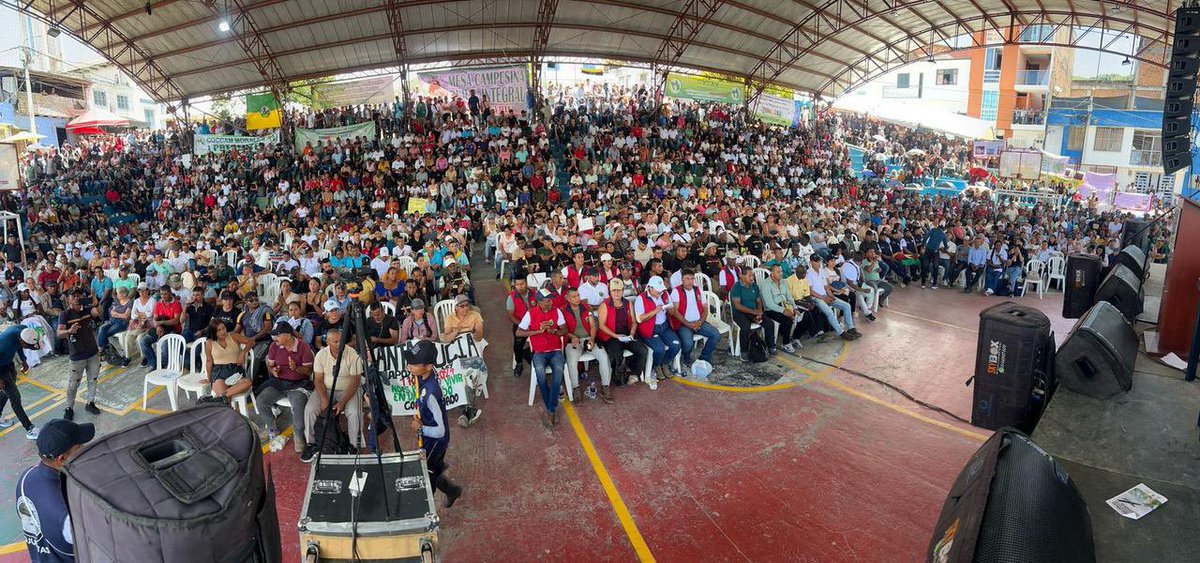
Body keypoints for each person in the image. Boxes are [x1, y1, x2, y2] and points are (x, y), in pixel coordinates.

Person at [15, 419, 94, 562]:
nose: (85, 447)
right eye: (79, 447)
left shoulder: (26, 478)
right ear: (62, 459)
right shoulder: (68, 512)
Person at [408, 340, 463, 508]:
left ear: (428, 366)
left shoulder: (432, 393)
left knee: (428, 474)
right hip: (428, 437)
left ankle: (427, 510)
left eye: (414, 363)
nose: (409, 366)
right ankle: (452, 490)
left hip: (435, 441)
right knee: (432, 468)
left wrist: (420, 428)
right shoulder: (421, 376)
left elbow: (440, 431)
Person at [305, 327, 363, 463]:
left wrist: (342, 402)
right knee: (310, 410)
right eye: (335, 342)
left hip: (348, 389)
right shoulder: (321, 355)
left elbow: (356, 381)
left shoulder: (352, 354)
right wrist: (325, 399)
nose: (339, 344)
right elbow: (318, 380)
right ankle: (313, 444)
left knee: (354, 412)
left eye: (341, 341)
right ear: (327, 342)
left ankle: (354, 447)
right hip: (326, 389)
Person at [257, 323, 314, 457]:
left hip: (298, 384)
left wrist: (296, 368)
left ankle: (299, 435)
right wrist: (274, 371)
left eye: (277, 335)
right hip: (280, 382)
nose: (274, 338)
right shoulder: (274, 346)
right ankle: (272, 429)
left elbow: (308, 371)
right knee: (261, 401)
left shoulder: (303, 347)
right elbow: (270, 365)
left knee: (298, 407)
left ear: (287, 336)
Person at [515, 289, 566, 428]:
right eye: (546, 301)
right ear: (538, 303)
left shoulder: (557, 311)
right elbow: (519, 332)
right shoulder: (530, 314)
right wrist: (537, 331)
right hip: (539, 351)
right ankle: (552, 408)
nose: (550, 303)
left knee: (558, 374)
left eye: (550, 300)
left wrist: (554, 331)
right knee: (540, 374)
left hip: (555, 350)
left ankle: (550, 411)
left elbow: (564, 329)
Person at [57, 290, 102, 420]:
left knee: (92, 380)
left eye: (78, 295)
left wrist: (95, 302)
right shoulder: (65, 314)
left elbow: (99, 314)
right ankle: (69, 407)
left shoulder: (88, 310)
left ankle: (90, 403)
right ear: (69, 299)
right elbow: (59, 334)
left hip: (93, 353)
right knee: (73, 384)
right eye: (73, 296)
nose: (76, 298)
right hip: (77, 356)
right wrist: (69, 330)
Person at [561, 287, 612, 403]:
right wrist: (572, 336)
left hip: (588, 340)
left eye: (578, 295)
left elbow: (593, 326)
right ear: (568, 299)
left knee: (603, 356)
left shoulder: (585, 307)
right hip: (574, 341)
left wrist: (592, 339)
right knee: (572, 359)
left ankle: (605, 387)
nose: (577, 298)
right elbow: (562, 329)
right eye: (574, 296)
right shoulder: (563, 310)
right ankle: (576, 388)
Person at [596, 278, 649, 388]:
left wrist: (632, 332)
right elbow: (601, 325)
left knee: (642, 351)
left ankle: (634, 372)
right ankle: (617, 376)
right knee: (616, 354)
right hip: (611, 335)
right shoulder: (604, 305)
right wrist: (616, 336)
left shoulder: (627, 303)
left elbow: (634, 321)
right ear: (610, 291)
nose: (616, 293)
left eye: (619, 290)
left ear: (623, 290)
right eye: (614, 290)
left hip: (627, 333)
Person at [667, 269, 720, 370]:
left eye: (692, 278)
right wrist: (688, 324)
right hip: (683, 324)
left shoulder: (698, 290)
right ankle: (686, 357)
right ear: (682, 280)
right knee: (688, 344)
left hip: (698, 322)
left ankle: (704, 357)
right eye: (687, 279)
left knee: (715, 335)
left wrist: (700, 322)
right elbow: (675, 312)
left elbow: (705, 308)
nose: (690, 281)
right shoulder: (676, 291)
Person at [633, 276, 682, 379]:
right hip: (650, 329)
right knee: (659, 349)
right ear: (650, 288)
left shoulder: (664, 294)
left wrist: (669, 308)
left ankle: (664, 363)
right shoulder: (641, 298)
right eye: (658, 290)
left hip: (664, 326)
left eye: (661, 289)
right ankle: (656, 366)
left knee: (676, 345)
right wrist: (655, 311)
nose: (661, 292)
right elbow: (639, 319)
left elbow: (672, 312)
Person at [0, 327, 43, 439]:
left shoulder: (24, 331)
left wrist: (24, 360)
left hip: (7, 362)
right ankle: (30, 428)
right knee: (15, 397)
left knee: (6, 393)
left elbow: (19, 347)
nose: (27, 348)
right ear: (22, 341)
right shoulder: (4, 343)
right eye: (27, 346)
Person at [201, 320, 250, 406]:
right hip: (219, 373)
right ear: (213, 332)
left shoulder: (233, 336)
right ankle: (227, 408)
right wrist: (209, 379)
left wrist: (243, 352)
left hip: (236, 371)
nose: (223, 331)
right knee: (226, 402)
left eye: (223, 328)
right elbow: (209, 361)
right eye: (218, 330)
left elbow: (251, 342)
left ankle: (221, 398)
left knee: (248, 382)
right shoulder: (209, 342)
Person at [505, 277, 535, 376]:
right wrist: (523, 325)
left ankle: (534, 355)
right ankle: (519, 363)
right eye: (517, 285)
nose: (520, 287)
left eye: (522, 284)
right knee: (518, 343)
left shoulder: (535, 293)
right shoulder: (511, 297)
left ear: (526, 283)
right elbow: (511, 316)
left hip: (536, 322)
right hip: (520, 323)